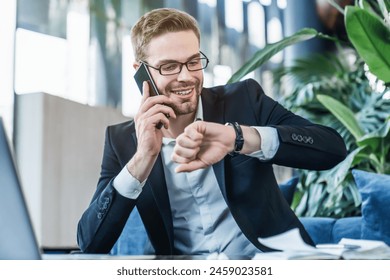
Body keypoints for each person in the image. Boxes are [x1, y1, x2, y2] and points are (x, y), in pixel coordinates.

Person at [77, 8, 347, 257]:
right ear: (141, 73)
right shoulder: (121, 141)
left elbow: (332, 149)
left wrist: (239, 138)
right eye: (169, 66)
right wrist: (142, 160)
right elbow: (90, 243)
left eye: (193, 61)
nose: (186, 76)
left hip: (269, 264)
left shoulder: (244, 100)